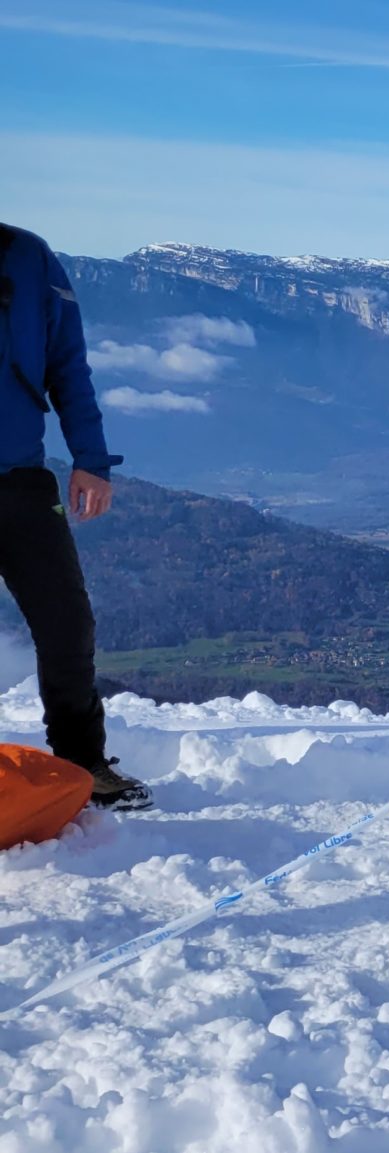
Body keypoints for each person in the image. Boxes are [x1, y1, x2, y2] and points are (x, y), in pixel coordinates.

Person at [0, 222, 146, 811]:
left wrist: (91, 458)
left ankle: (83, 765)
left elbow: (67, 363)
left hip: (19, 479)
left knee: (67, 623)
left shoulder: (27, 256)